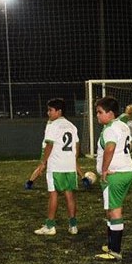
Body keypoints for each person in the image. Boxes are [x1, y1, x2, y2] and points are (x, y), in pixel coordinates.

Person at [33, 98, 85, 236]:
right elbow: (77, 146)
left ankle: (50, 226)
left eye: (50, 110)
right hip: (69, 166)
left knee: (53, 194)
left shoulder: (53, 125)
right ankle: (73, 226)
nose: (48, 113)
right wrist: (72, 160)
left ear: (59, 111)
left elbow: (49, 145)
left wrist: (43, 163)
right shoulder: (71, 126)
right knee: (69, 194)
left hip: (56, 166)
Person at [94, 96, 132, 261]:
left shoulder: (110, 129)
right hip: (127, 172)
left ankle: (115, 251)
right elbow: (129, 145)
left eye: (100, 112)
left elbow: (110, 148)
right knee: (111, 209)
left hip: (115, 175)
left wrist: (104, 170)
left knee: (115, 211)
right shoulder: (123, 126)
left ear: (110, 113)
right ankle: (111, 244)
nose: (97, 115)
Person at [117, 104, 132, 184]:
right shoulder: (121, 118)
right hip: (120, 140)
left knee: (126, 158)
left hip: (128, 141)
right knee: (122, 158)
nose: (126, 112)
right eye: (126, 110)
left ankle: (131, 177)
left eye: (128, 110)